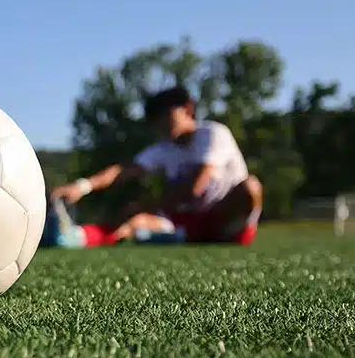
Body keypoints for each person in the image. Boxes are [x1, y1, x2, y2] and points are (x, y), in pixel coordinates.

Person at [44, 85, 263, 247]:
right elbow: (123, 171)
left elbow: (196, 188)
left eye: (166, 115)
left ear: (187, 109)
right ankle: (72, 237)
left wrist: (147, 204)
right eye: (156, 119)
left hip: (227, 221)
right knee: (134, 222)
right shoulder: (164, 148)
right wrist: (82, 186)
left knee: (250, 187)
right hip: (189, 220)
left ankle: (177, 236)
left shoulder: (213, 134)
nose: (161, 124)